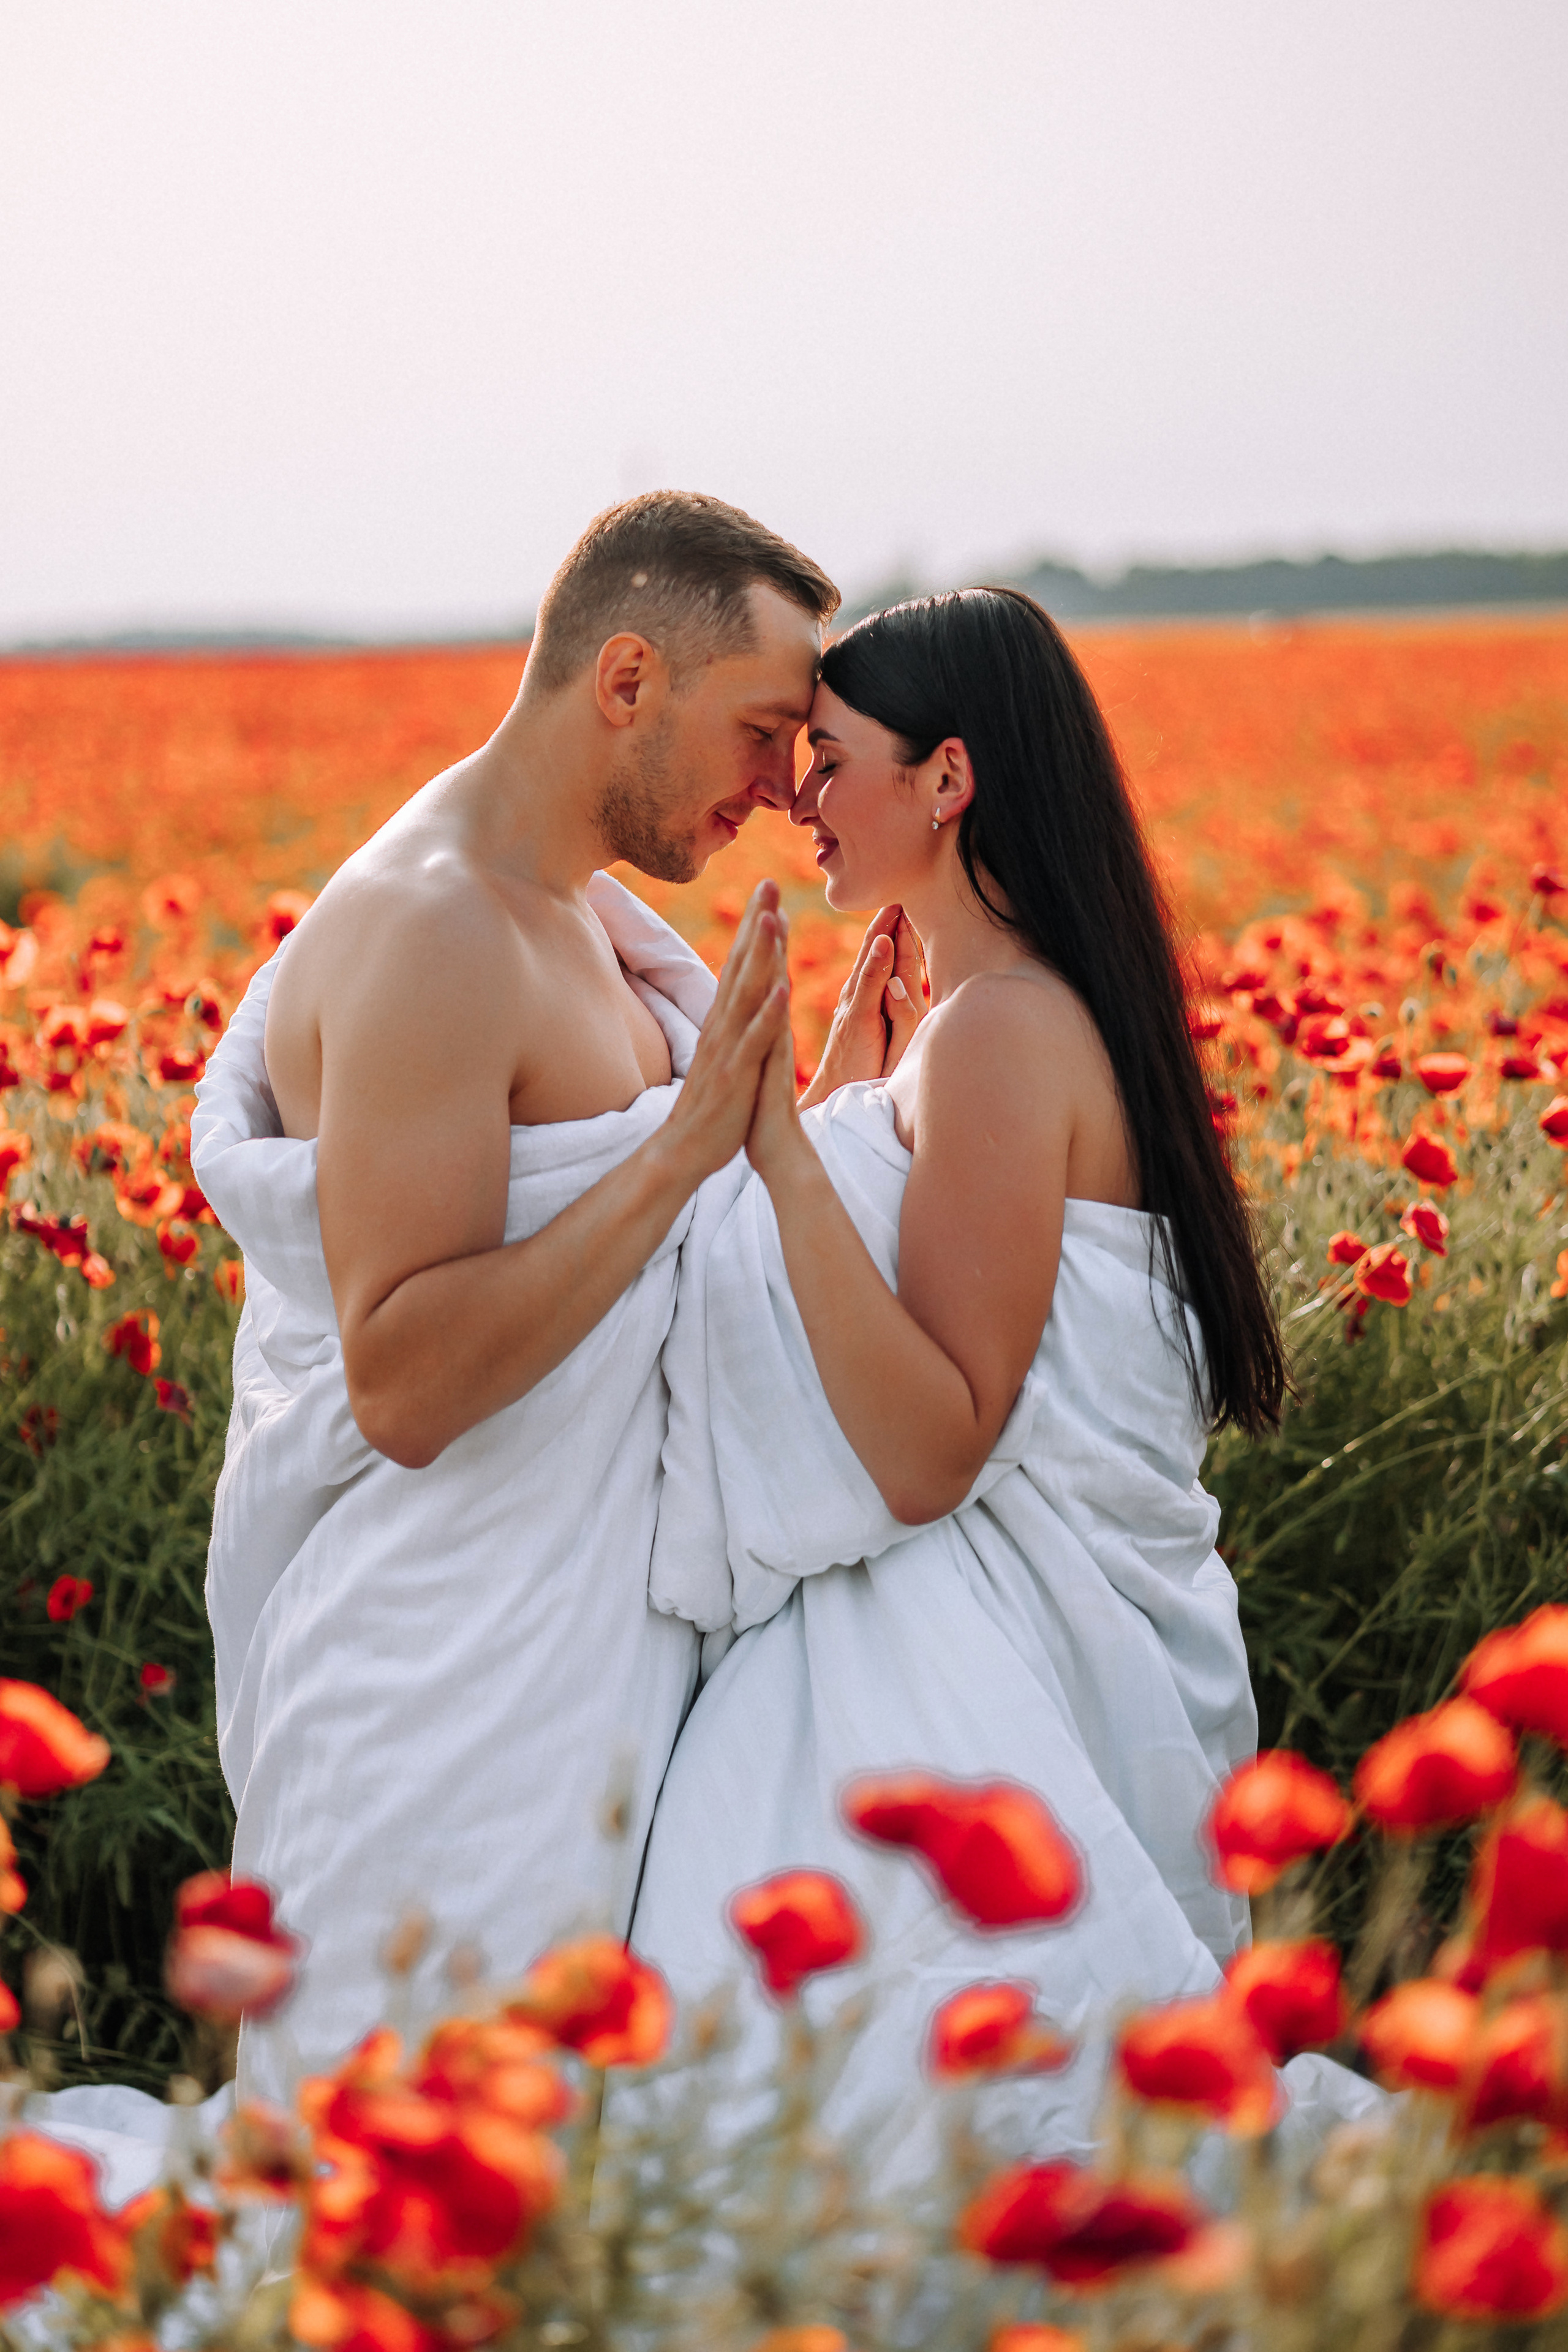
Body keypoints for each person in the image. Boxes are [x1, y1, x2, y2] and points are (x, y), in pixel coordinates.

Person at [635, 588, 1376, 2173]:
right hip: (1057, 1624)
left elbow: (932, 1452)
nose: (799, 799)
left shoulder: (998, 1032)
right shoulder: (986, 1018)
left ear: (949, 777)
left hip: (1016, 1645)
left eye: (833, 761)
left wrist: (778, 1150)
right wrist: (838, 1101)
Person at [188, 491, 837, 2105]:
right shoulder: (434, 931)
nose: (780, 793)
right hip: (434, 1692)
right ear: (628, 679)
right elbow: (401, 1381)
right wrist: (686, 1153)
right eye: (764, 732)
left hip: (568, 1675)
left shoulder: (575, 915)